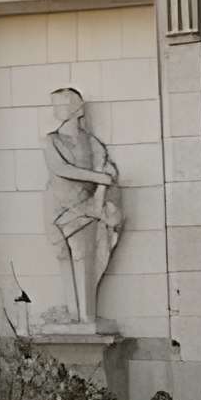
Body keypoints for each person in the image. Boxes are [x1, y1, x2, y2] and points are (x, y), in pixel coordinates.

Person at [43, 87, 123, 331]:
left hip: (85, 206)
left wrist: (103, 182)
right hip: (57, 206)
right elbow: (61, 168)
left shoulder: (92, 142)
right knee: (63, 255)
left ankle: (85, 317)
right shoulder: (52, 140)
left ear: (77, 108)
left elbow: (108, 170)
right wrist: (98, 177)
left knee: (83, 256)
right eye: (55, 104)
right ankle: (73, 313)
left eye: (62, 104)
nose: (57, 109)